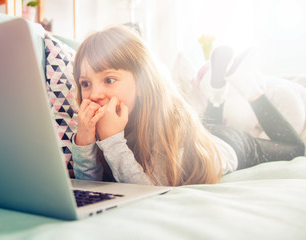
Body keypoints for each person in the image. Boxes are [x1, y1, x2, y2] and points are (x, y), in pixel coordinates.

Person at [71, 26, 305, 186]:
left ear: (142, 82)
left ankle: (249, 88)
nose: (95, 94)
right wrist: (85, 142)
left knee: (296, 149)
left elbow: (148, 190)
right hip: (203, 138)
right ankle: (216, 96)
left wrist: (112, 140)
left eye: (109, 80)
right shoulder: (104, 124)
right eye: (85, 83)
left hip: (230, 145)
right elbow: (93, 187)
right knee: (207, 125)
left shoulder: (166, 123)